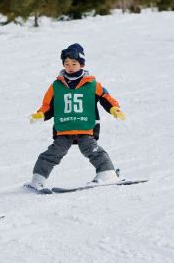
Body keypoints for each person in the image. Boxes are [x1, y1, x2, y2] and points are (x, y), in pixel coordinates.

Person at [25, 43, 126, 191]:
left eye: (74, 63)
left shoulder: (92, 84)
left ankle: (107, 174)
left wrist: (115, 109)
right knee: (53, 153)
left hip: (86, 126)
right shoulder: (56, 86)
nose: (70, 67)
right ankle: (37, 179)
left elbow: (106, 98)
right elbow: (48, 105)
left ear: (81, 64)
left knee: (91, 149)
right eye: (66, 64)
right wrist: (40, 115)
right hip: (65, 127)